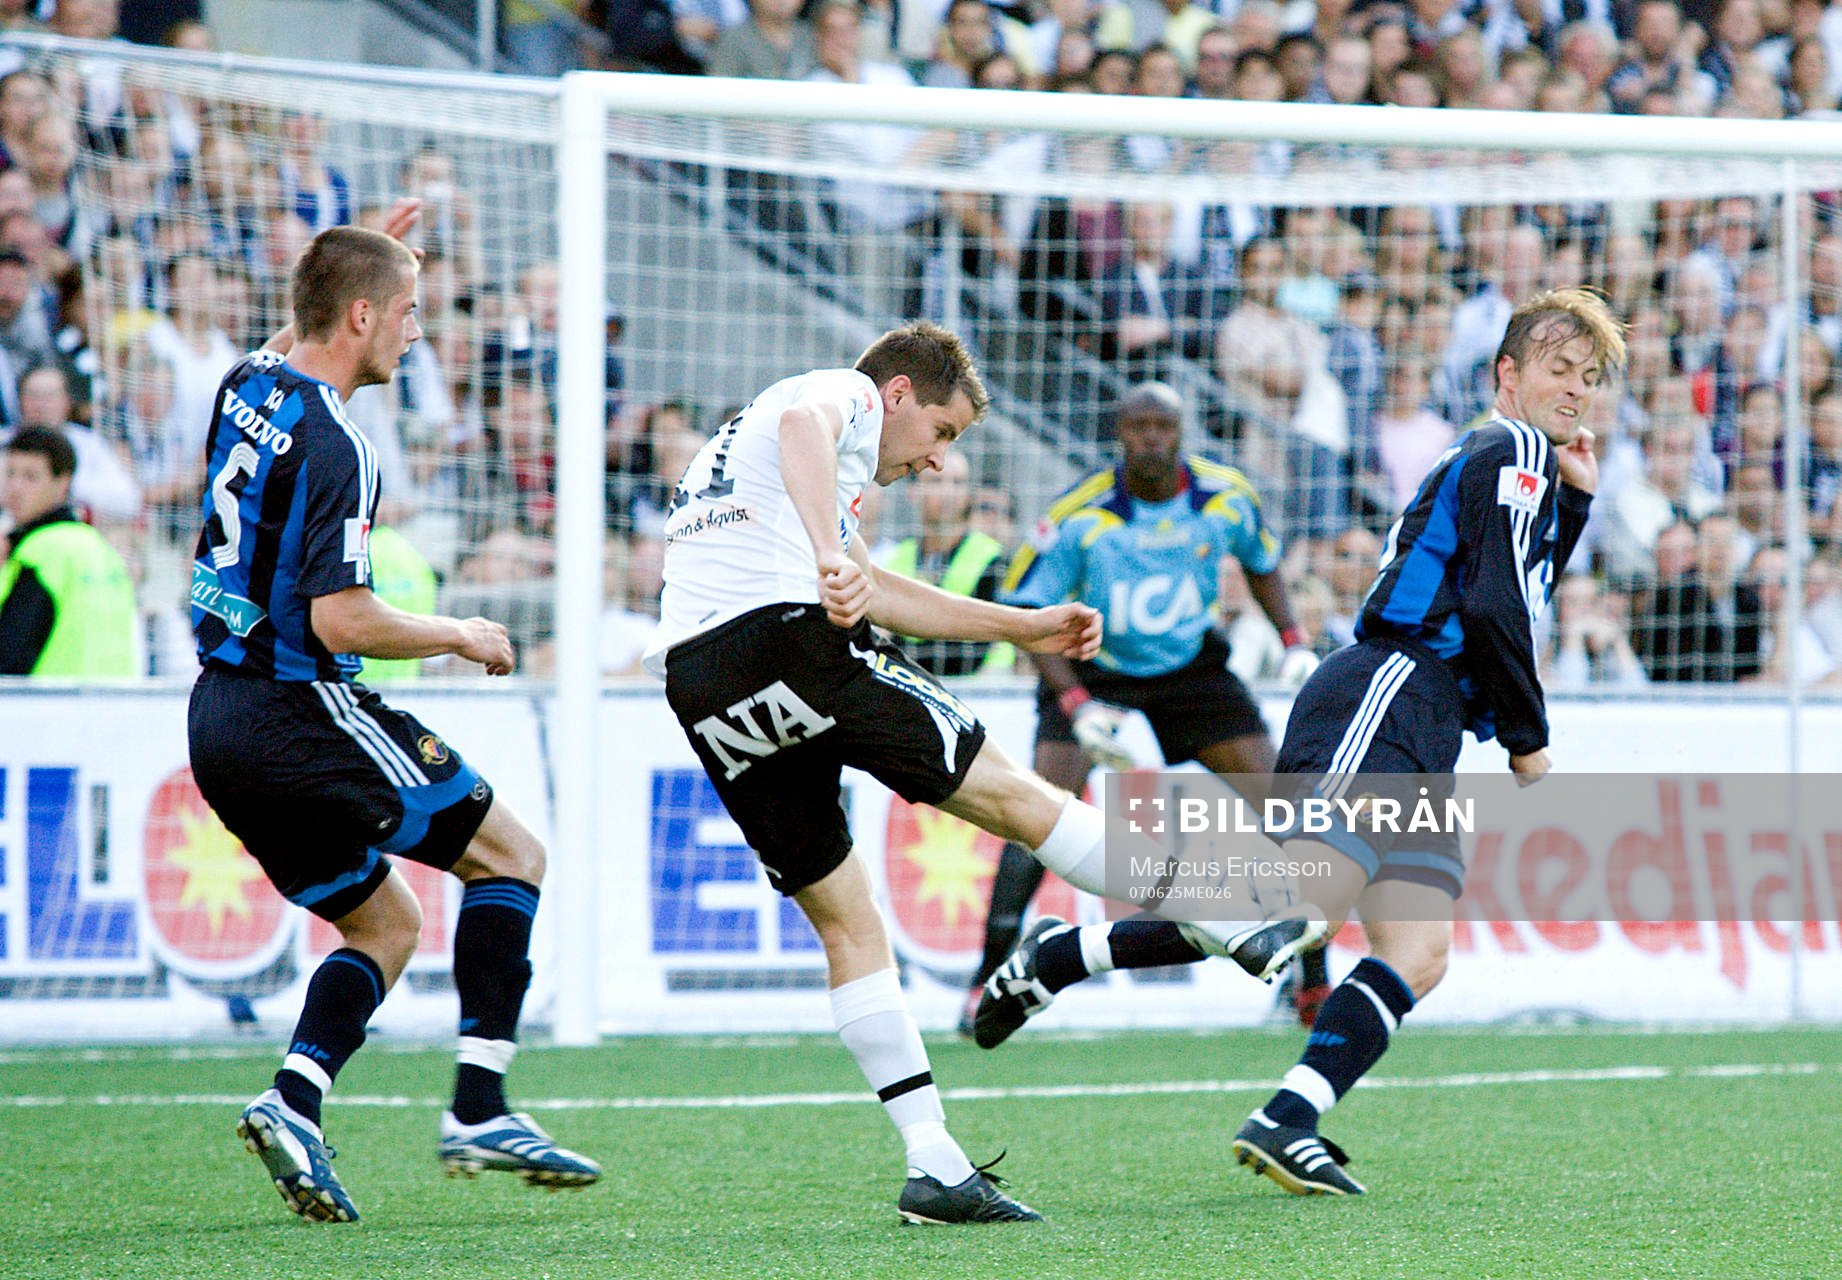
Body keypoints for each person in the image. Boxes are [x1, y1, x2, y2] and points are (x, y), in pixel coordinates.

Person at [641, 324, 1319, 1225]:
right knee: (1018, 794)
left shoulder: (758, 460)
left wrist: (1025, 625)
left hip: (700, 679)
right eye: (942, 434)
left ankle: (935, 1164)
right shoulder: (831, 398)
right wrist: (829, 555)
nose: (935, 462)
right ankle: (1221, 912)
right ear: (898, 396)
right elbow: (813, 430)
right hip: (791, 638)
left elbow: (877, 591)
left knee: (846, 918)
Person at [976, 288, 1626, 1199]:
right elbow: (1493, 607)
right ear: (1505, 375)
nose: (1577, 391)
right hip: (1389, 687)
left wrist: (1578, 505)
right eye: (1560, 369)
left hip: (1421, 715)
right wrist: (1528, 736)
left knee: (1417, 950)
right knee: (1297, 898)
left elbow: (1514, 579)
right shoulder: (1510, 444)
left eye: (1591, 379)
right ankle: (1062, 952)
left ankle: (1288, 1117)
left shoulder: (1518, 463)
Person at [188, 204, 598, 1225]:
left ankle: (293, 1098)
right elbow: (340, 615)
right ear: (363, 316)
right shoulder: (339, 443)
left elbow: (297, 323)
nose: (419, 332)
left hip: (218, 723)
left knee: (387, 919)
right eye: (408, 312)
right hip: (299, 707)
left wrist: (354, 250)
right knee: (512, 855)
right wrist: (459, 629)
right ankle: (480, 1105)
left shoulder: (249, 384)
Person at [961, 382, 1320, 1042]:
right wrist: (1075, 703)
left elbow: (1263, 563)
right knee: (1035, 809)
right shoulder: (1080, 513)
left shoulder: (1224, 496)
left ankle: (1314, 978)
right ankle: (986, 975)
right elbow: (1025, 615)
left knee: (1290, 806)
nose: (1151, 437)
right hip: (1095, 664)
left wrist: (1293, 642)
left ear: (1181, 432)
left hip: (1189, 667)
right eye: (1138, 426)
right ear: (1118, 435)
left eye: (1163, 426)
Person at [0, 425, 137, 676]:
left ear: (63, 483)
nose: (15, 487)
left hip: (50, 706)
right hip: (116, 704)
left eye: (30, 477)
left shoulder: (41, 552)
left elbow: (9, 657)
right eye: (10, 473)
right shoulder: (98, 546)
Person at [876, 449, 1013, 677]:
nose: (948, 492)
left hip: (983, 685)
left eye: (958, 482)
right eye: (936, 480)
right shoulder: (899, 557)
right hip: (909, 682)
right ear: (913, 491)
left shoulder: (992, 557)